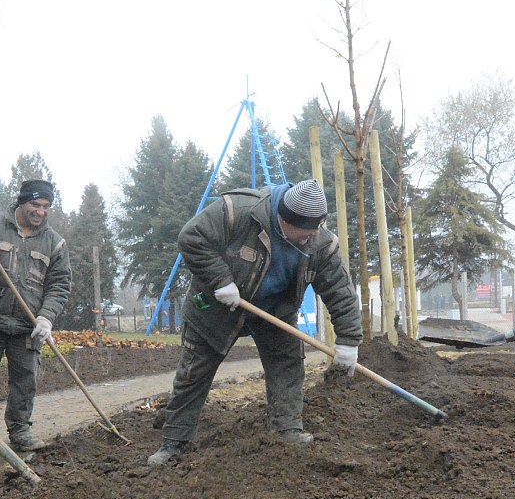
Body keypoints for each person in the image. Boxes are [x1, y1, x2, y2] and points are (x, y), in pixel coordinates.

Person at [147, 179, 363, 467]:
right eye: (305, 231)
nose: (311, 237)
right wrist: (220, 279)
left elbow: (340, 292)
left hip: (275, 313)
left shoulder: (320, 243)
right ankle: (174, 442)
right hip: (216, 308)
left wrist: (348, 341)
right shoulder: (237, 211)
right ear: (284, 220)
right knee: (194, 373)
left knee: (288, 366)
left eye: (316, 229)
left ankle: (287, 431)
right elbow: (191, 238)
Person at [0, 178, 72, 457]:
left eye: (46, 206)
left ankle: (20, 431)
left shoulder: (54, 243)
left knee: (25, 381)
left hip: (27, 325)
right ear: (21, 201)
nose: (40, 211)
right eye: (35, 204)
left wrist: (46, 318)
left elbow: (59, 285)